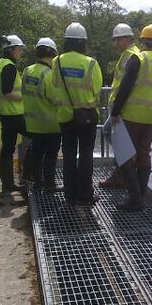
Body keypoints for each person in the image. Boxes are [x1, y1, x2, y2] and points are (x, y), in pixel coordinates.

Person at [110, 24, 152, 211]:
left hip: (132, 115)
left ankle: (135, 199)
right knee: (143, 153)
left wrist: (115, 112)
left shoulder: (137, 58)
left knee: (124, 156)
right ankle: (141, 196)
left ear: (142, 39)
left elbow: (125, 88)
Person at [52, 23, 103, 205]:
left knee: (69, 154)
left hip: (65, 117)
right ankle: (85, 193)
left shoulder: (56, 61)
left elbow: (55, 84)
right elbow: (97, 92)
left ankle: (70, 193)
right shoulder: (91, 63)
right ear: (83, 42)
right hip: (87, 118)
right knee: (86, 154)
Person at [99, 23, 141, 189]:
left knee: (109, 133)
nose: (114, 43)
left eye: (118, 39)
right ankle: (125, 167)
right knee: (110, 133)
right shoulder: (127, 55)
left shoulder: (132, 56)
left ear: (128, 39)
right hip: (120, 107)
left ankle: (124, 170)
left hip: (124, 108)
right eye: (114, 40)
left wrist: (116, 110)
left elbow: (127, 85)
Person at [21, 38, 61, 192]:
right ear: (53, 53)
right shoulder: (49, 74)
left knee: (36, 153)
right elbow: (55, 99)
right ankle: (49, 184)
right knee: (51, 155)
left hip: (32, 123)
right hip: (50, 125)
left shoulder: (27, 70)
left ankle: (37, 182)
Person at [0, 34, 29, 193]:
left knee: (8, 147)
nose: (21, 52)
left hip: (5, 112)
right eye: (20, 49)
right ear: (11, 50)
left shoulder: (1, 63)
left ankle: (7, 184)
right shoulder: (9, 67)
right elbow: (7, 92)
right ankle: (28, 177)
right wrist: (25, 98)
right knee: (36, 136)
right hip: (13, 113)